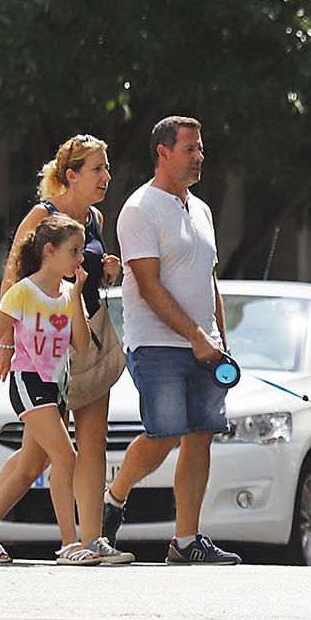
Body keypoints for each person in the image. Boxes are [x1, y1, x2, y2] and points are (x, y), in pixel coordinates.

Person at [0, 135, 131, 564]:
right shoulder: (43, 216)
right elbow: (12, 278)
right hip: (45, 351)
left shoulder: (94, 219)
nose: (106, 177)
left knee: (92, 443)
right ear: (70, 175)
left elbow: (80, 274)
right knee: (40, 455)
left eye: (107, 169)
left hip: (85, 337)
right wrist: (4, 342)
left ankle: (91, 541)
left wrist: (105, 269)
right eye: (97, 169)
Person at [100, 116, 240, 565]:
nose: (199, 158)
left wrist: (219, 336)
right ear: (163, 152)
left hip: (204, 343)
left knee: (201, 436)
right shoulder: (140, 208)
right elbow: (148, 285)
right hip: (157, 344)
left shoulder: (201, 210)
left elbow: (208, 276)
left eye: (200, 149)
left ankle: (186, 541)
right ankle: (115, 495)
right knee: (165, 434)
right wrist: (196, 336)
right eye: (190, 149)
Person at [0, 215, 100, 564]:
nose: (79, 260)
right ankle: (70, 542)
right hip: (28, 383)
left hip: (57, 387)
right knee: (65, 456)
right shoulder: (23, 292)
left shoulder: (69, 294)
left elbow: (83, 345)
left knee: (30, 466)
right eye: (73, 251)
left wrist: (76, 301)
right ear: (49, 250)